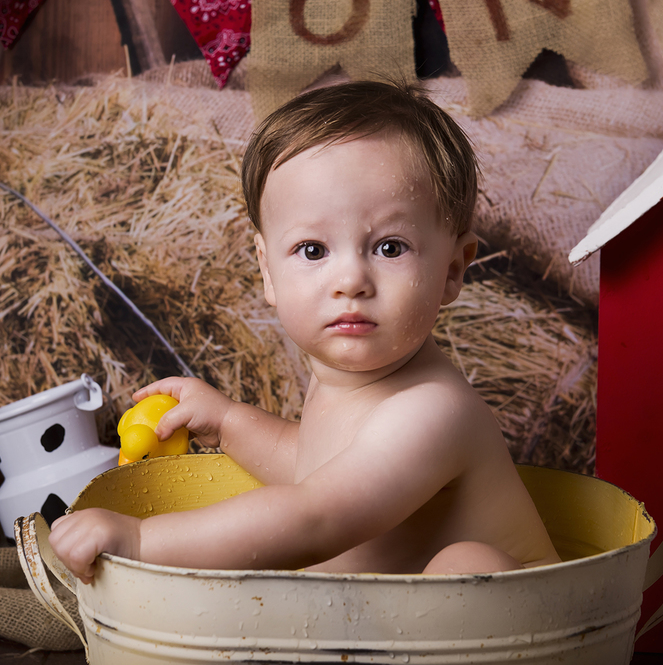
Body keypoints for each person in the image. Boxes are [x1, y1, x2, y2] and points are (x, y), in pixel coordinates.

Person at [49, 80, 560, 582]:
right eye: (313, 251)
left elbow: (318, 514)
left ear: (453, 269)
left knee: (471, 569)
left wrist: (144, 542)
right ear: (268, 271)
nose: (351, 281)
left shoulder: (432, 410)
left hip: (531, 636)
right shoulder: (345, 384)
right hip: (391, 629)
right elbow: (317, 470)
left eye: (390, 247)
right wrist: (228, 423)